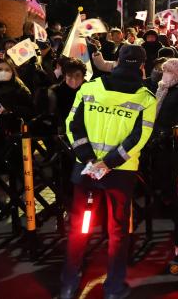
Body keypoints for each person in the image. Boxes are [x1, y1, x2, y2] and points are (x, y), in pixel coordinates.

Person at [60, 45, 157, 299]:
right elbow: (139, 137)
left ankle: (69, 285)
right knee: (117, 231)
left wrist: (89, 160)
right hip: (120, 174)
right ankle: (113, 288)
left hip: (85, 170)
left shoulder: (89, 88)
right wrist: (109, 163)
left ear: (117, 62)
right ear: (142, 67)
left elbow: (72, 125)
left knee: (80, 227)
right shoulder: (146, 98)